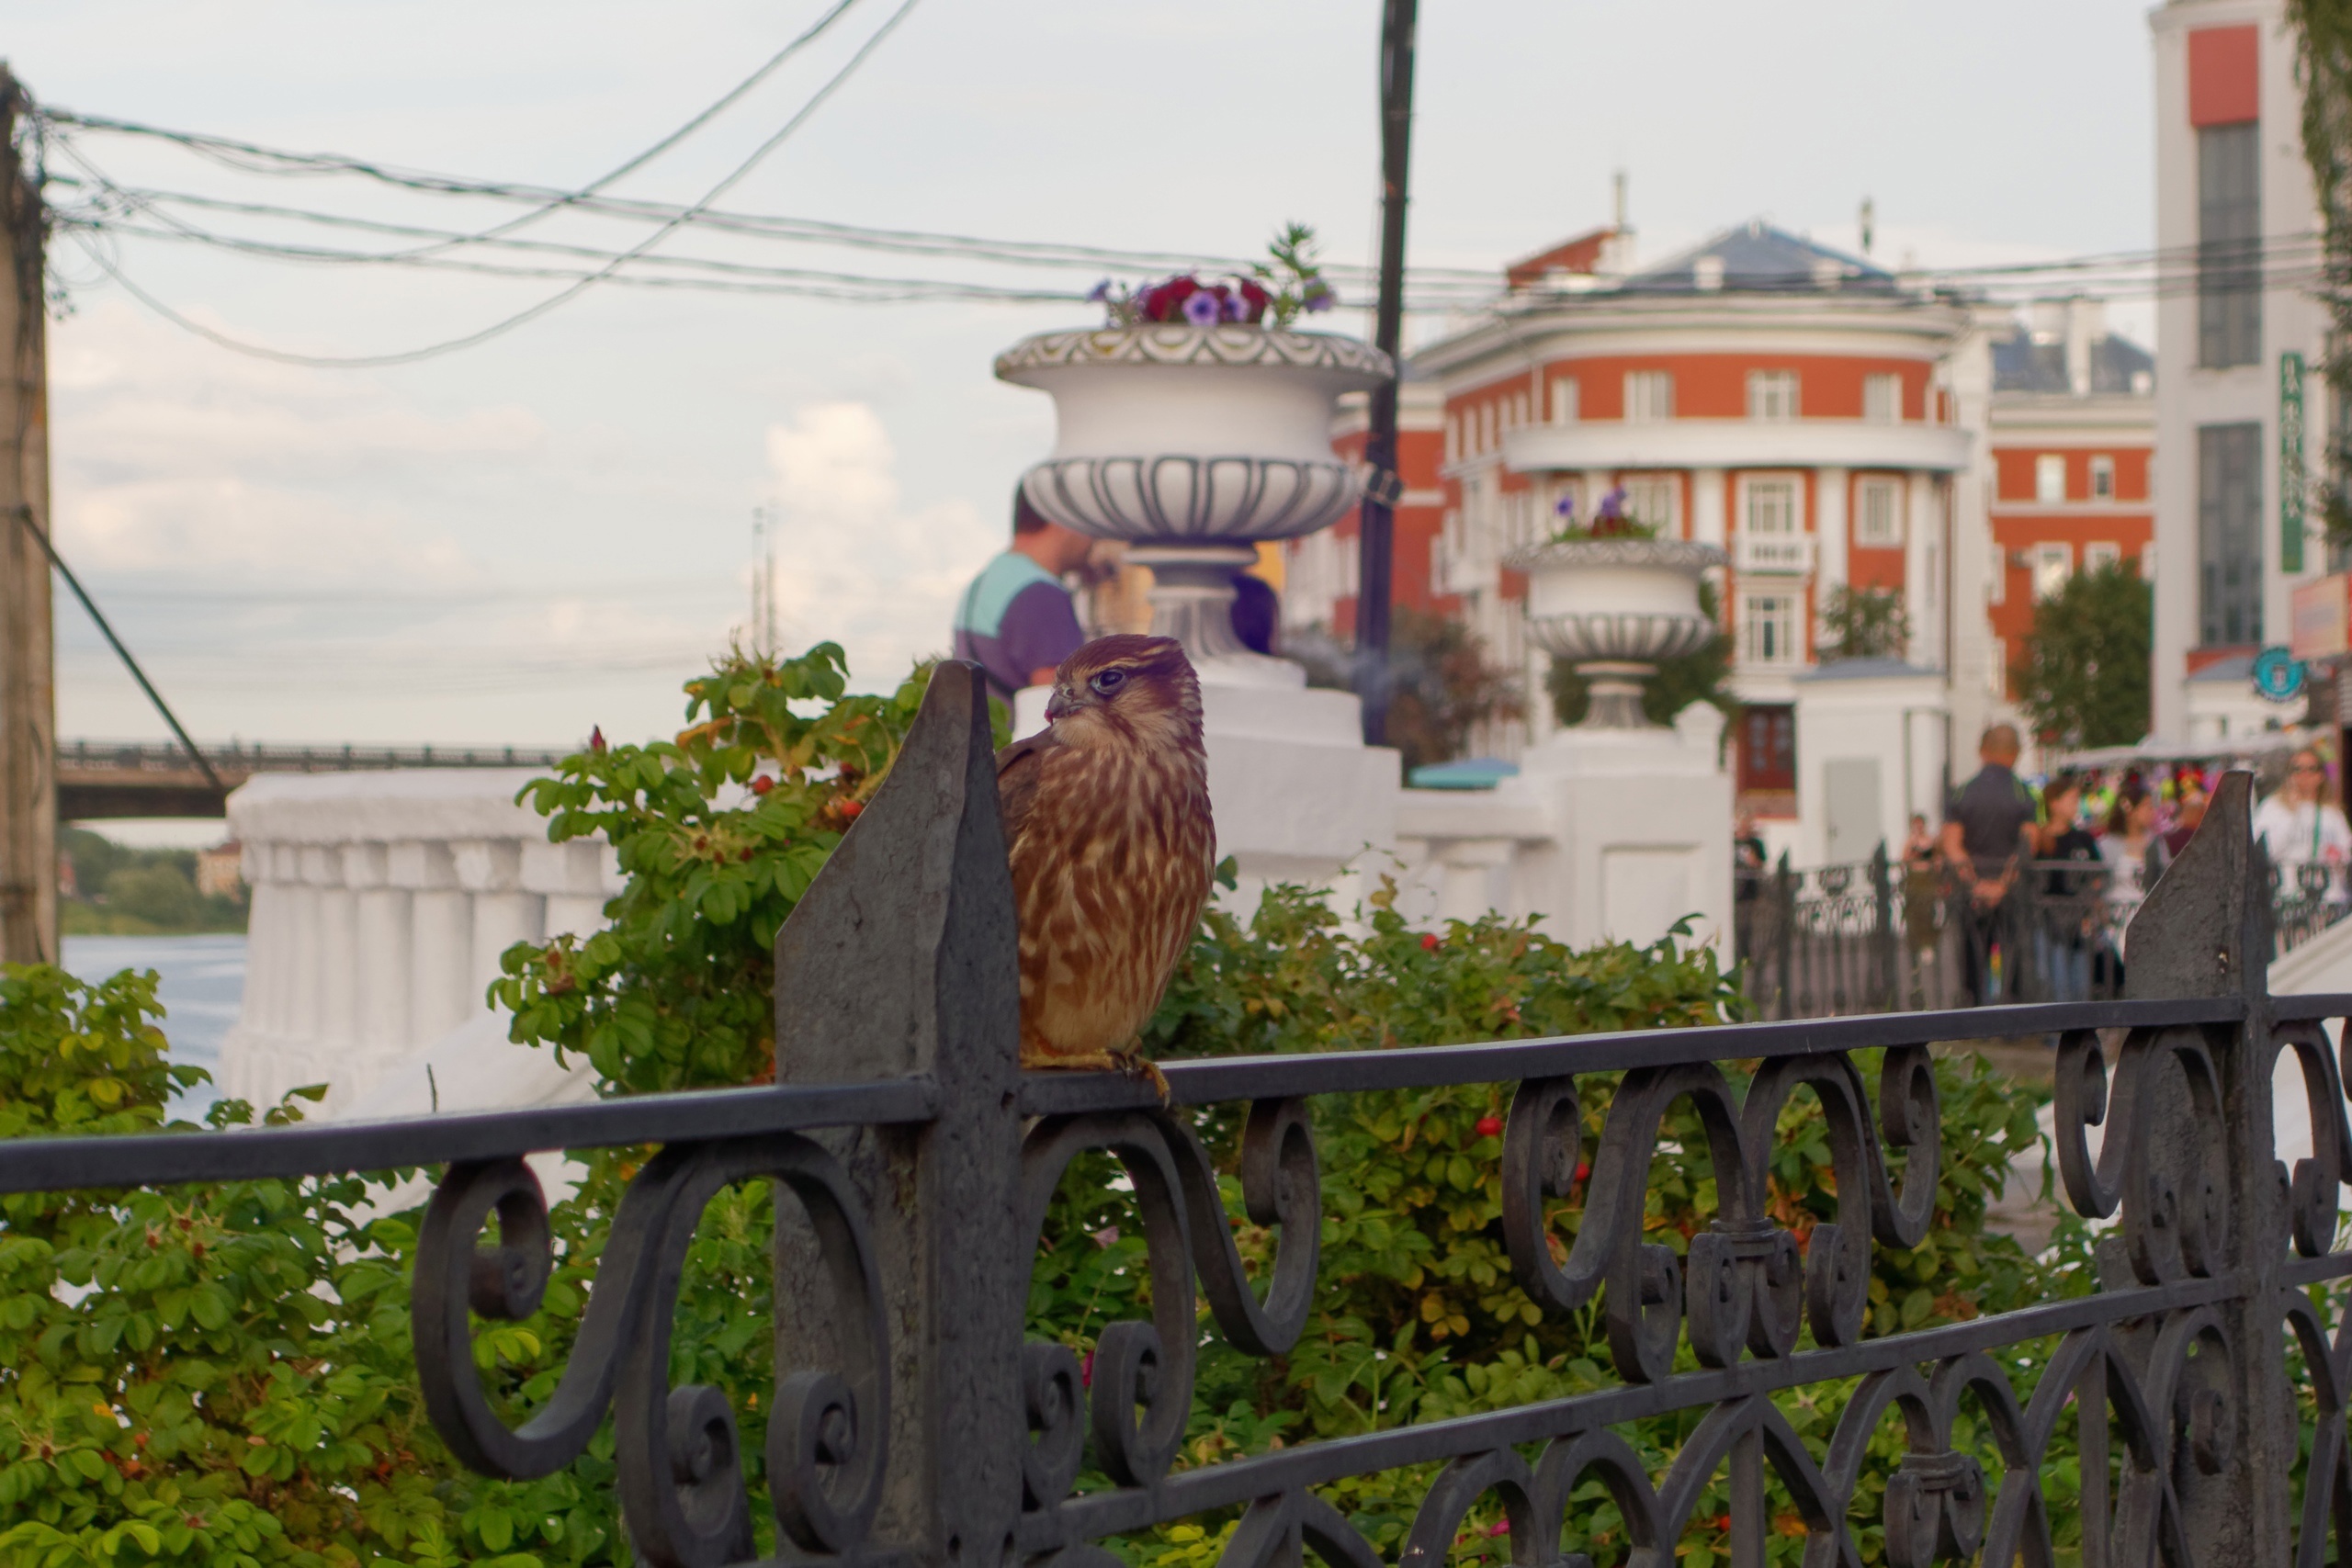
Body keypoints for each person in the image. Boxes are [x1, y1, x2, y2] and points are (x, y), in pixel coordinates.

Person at [953, 489, 1092, 705]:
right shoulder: (1042, 595)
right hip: (1019, 736)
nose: (1094, 536)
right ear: (1064, 515)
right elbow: (1064, 707)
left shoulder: (986, 580)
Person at [1940, 724, 2039, 1006]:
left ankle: (1973, 1011)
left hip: (1971, 894)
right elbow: (2027, 845)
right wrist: (2002, 885)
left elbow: (1952, 845)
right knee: (2013, 954)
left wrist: (1976, 884)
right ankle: (2013, 1018)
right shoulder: (2024, 794)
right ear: (2016, 753)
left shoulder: (1962, 793)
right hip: (2012, 893)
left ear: (1982, 751)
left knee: (1973, 954)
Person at [2032, 773, 2103, 1002]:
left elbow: (2097, 874)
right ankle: (2056, 1034)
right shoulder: (2041, 839)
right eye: (2071, 799)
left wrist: (2091, 901)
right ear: (2054, 803)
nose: (2076, 805)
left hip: (2077, 919)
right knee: (2055, 981)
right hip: (2048, 919)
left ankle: (2078, 1033)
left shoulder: (2082, 838)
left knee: (2080, 984)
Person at [2253, 747, 2352, 906]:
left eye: (2311, 769)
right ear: (2289, 774)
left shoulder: (2332, 813)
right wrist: (2291, 814)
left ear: (2321, 776)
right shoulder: (2273, 808)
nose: (2304, 775)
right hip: (2288, 898)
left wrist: (2338, 855)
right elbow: (2265, 852)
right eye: (2297, 769)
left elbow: (2346, 850)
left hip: (2329, 899)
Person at [2096, 778, 2158, 991]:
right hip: (2117, 918)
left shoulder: (2155, 844)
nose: (2152, 812)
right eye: (2147, 807)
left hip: (2147, 915)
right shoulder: (2107, 845)